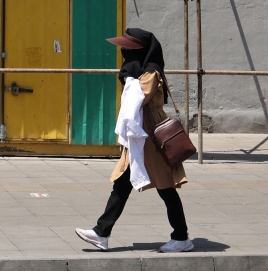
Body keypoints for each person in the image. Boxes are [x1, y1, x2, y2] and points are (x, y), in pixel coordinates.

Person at [76, 28, 193, 253]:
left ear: (139, 50)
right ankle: (102, 232)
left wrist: (130, 74)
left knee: (166, 188)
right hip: (140, 138)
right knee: (122, 184)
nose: (124, 52)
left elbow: (137, 99)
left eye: (128, 48)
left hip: (153, 139)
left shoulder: (151, 72)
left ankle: (181, 237)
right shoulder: (141, 72)